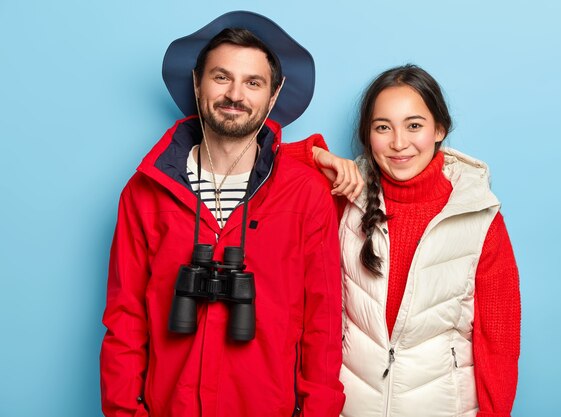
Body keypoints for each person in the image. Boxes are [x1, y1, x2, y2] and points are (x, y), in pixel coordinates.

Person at [100, 11, 345, 417]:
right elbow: (124, 321)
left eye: (253, 82)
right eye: (221, 77)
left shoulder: (305, 195)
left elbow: (323, 328)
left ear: (275, 93)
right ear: (197, 82)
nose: (235, 94)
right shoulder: (146, 192)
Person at [288, 64, 521, 417]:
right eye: (383, 127)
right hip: (350, 408)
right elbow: (253, 156)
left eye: (414, 125)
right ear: (368, 134)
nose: (399, 143)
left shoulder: (479, 215)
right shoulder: (343, 197)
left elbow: (499, 342)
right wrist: (316, 155)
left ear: (439, 129)